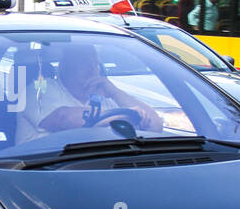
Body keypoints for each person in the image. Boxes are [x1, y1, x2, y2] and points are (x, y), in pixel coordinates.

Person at [19, 42, 163, 140]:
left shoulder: (106, 96)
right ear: (64, 67)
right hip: (38, 170)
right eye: (84, 62)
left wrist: (115, 92)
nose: (92, 68)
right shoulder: (40, 89)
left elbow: (155, 126)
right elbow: (63, 119)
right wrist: (124, 116)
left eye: (95, 63)